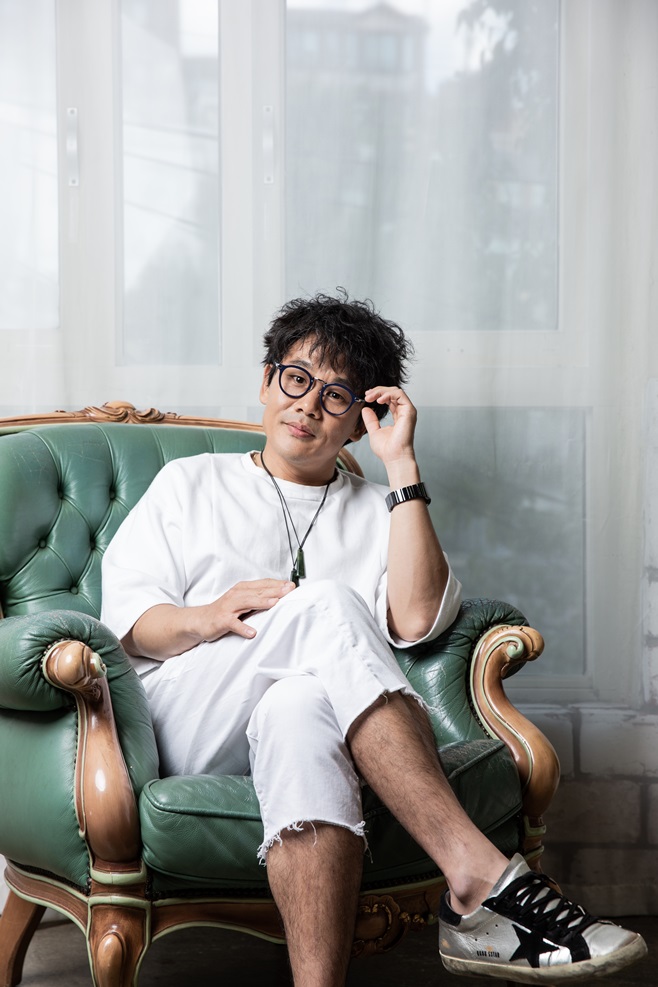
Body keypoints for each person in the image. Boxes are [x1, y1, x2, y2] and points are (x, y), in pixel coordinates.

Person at [101, 292, 646, 986]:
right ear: (266, 381)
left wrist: (402, 464)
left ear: (360, 420)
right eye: (296, 379)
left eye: (335, 395)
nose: (307, 405)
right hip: (190, 718)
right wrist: (207, 616)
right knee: (325, 601)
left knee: (299, 706)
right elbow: (131, 625)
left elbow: (418, 621)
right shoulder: (191, 482)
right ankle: (476, 875)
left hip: (294, 725)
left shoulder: (376, 508)